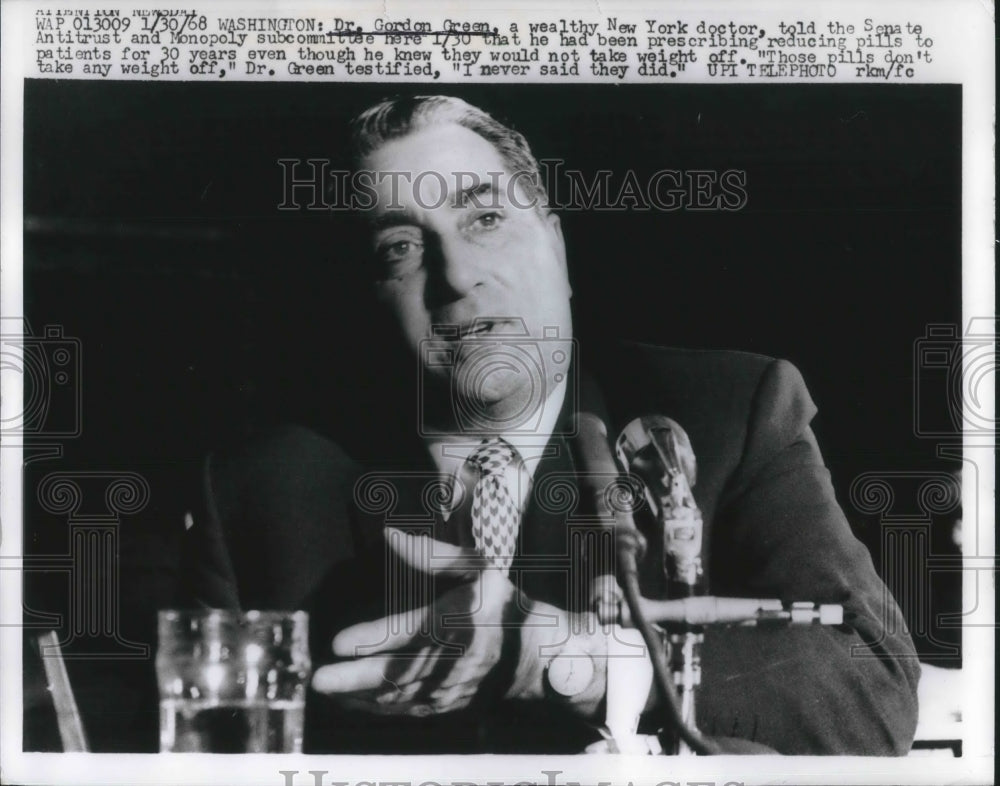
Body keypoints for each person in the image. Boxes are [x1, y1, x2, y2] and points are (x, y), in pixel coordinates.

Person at [180, 95, 920, 755]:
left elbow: (870, 684)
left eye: (487, 218)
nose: (457, 274)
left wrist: (565, 656)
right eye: (401, 248)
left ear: (558, 249)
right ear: (371, 293)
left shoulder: (730, 410)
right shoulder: (256, 490)